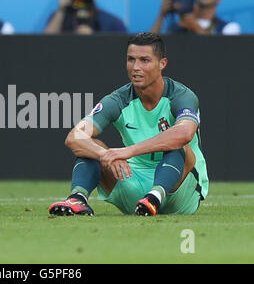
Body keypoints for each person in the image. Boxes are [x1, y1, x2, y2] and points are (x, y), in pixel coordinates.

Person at [48, 32, 209, 217]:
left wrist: (128, 151)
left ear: (162, 64)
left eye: (144, 60)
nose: (136, 67)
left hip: (180, 189)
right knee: (91, 146)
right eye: (131, 59)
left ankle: (156, 196)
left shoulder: (181, 96)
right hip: (134, 186)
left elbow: (184, 133)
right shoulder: (118, 99)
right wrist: (105, 154)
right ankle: (77, 198)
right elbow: (74, 137)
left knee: (178, 144)